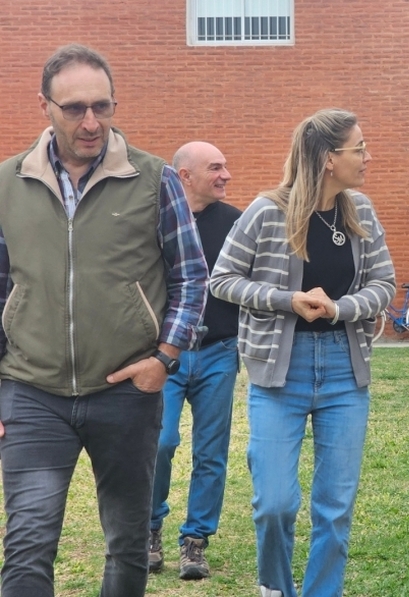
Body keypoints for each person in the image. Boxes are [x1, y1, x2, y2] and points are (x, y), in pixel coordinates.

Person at [0, 44, 207, 597]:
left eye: (102, 106)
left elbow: (191, 278)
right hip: (32, 392)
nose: (90, 122)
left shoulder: (153, 178)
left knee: (127, 542)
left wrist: (165, 358)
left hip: (125, 390)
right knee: (26, 547)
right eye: (74, 109)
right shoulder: (7, 184)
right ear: (44, 106)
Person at [209, 108, 395, 597]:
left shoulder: (361, 212)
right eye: (359, 148)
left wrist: (340, 308)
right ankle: (276, 586)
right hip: (278, 373)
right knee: (274, 503)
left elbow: (384, 284)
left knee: (335, 507)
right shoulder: (267, 210)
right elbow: (222, 280)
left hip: (343, 370)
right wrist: (285, 300)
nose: (367, 157)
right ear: (328, 158)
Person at [148, 141, 242, 579]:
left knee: (211, 451)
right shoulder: (158, 219)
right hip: (166, 355)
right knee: (159, 442)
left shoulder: (236, 223)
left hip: (220, 353)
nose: (225, 175)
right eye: (215, 168)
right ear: (185, 175)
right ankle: (149, 528)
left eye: (224, 167)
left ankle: (195, 541)